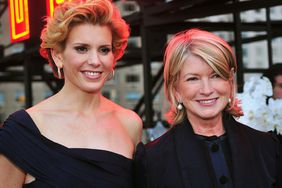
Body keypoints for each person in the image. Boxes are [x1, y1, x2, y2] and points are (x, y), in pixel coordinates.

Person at [0, 0, 142, 187]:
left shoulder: (129, 124)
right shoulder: (21, 130)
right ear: (58, 55)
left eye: (104, 50)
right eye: (81, 49)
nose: (95, 60)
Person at [142, 29, 282, 187]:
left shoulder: (268, 148)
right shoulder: (151, 160)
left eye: (216, 75)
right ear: (176, 90)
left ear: (230, 82)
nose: (207, 90)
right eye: (193, 78)